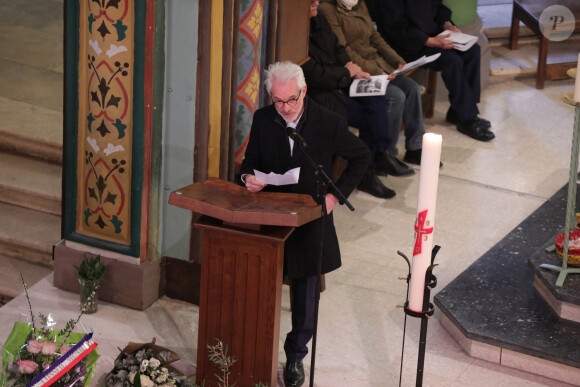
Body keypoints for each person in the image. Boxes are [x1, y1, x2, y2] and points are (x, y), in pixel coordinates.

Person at [240, 61, 370, 387]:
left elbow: (362, 156)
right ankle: (253, 349)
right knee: (258, 283)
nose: (284, 108)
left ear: (303, 92)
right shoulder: (263, 119)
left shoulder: (328, 123)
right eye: (278, 101)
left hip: (311, 217)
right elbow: (250, 163)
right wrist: (247, 178)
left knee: (306, 291)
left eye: (291, 101)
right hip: (270, 215)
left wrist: (333, 198)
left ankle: (296, 356)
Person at [302, 0, 408, 200]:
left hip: (340, 81)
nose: (316, 2)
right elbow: (313, 75)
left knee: (375, 95)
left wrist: (353, 68)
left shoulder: (319, 18)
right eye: (310, 1)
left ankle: (381, 153)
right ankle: (369, 167)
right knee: (369, 117)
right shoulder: (294, 32)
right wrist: (345, 72)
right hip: (320, 94)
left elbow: (338, 48)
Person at [318, 0, 429, 167]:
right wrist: (378, 73)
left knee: (411, 88)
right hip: (356, 73)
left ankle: (415, 147)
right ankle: (385, 154)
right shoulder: (327, 9)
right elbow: (343, 51)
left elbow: (375, 37)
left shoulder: (359, 4)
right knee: (395, 96)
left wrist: (398, 61)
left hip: (378, 65)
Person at [366, 0, 495, 142]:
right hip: (406, 44)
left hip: (431, 35)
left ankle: (459, 111)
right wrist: (429, 41)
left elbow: (438, 7)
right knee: (451, 61)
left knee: (472, 50)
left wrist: (447, 24)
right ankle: (467, 118)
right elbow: (394, 26)